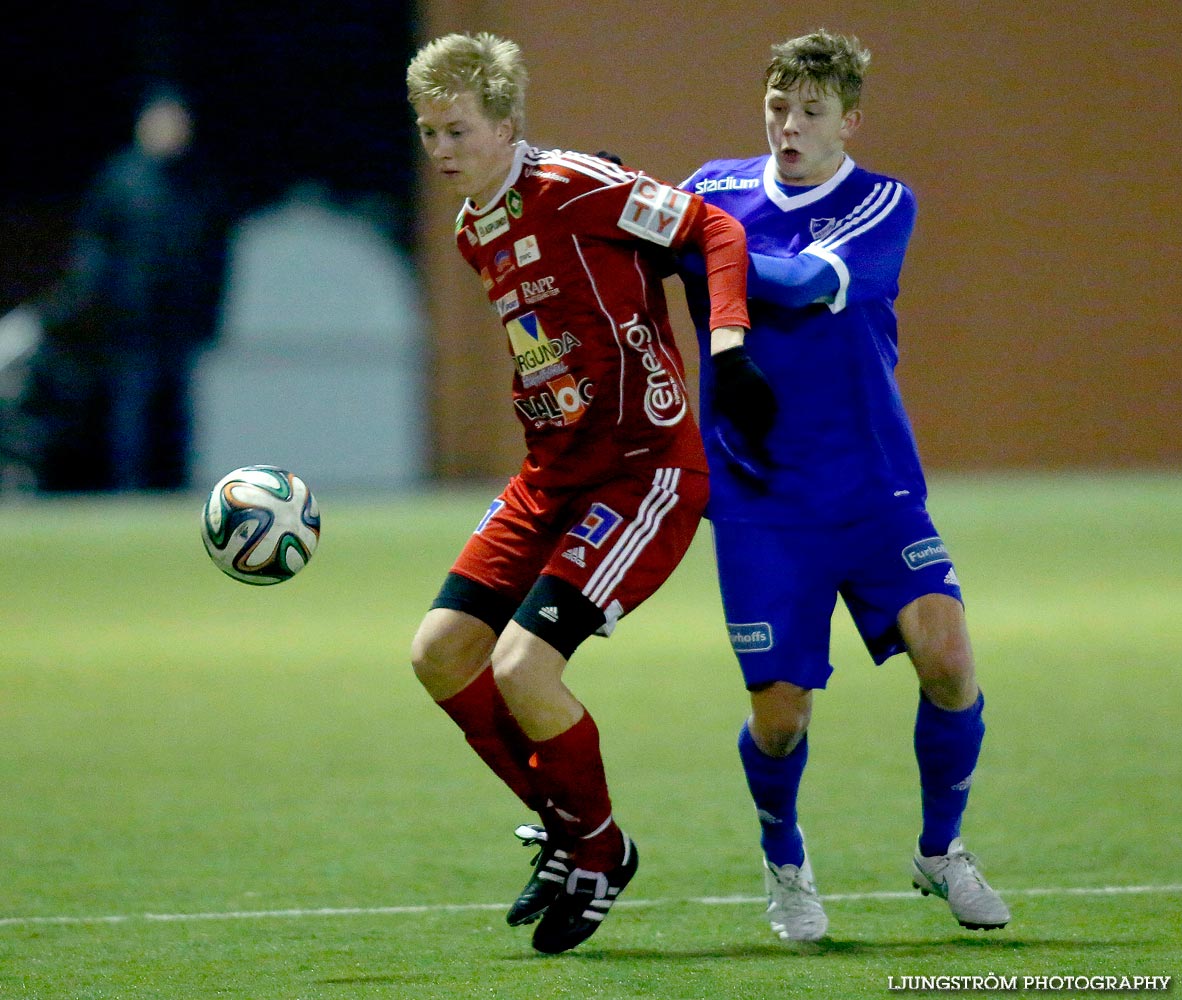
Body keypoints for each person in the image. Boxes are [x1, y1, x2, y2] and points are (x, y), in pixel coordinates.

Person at [405, 32, 768, 954]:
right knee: (442, 653)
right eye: (427, 132)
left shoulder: (572, 184)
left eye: (455, 129)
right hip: (550, 475)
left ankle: (598, 852)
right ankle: (573, 834)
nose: (439, 150)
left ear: (507, 125)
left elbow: (710, 228)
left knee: (526, 668)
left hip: (642, 469)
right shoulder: (469, 230)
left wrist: (727, 345)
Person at [677, 29, 1010, 941]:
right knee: (780, 720)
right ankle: (784, 859)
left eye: (811, 112)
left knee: (946, 657)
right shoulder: (713, 187)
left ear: (849, 121)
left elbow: (792, 285)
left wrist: (701, 238)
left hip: (872, 485)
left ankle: (940, 852)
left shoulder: (880, 203)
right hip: (760, 499)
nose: (789, 127)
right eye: (778, 108)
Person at [23, 85, 230, 491]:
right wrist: (92, 304)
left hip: (180, 322)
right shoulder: (121, 180)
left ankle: (174, 489)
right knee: (131, 411)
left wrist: (210, 313)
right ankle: (129, 490)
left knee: (178, 412)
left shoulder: (199, 184)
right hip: (130, 322)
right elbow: (94, 249)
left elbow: (215, 256)